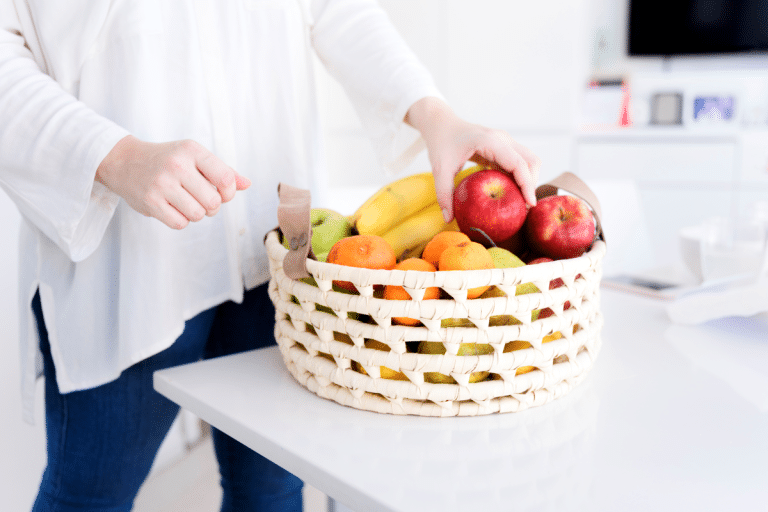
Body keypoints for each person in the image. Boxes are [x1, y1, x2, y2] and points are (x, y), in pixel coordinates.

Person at [0, 0, 541, 511]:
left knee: (273, 494)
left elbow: (338, 10)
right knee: (90, 496)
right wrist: (112, 156)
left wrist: (432, 112)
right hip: (127, 249)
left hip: (287, 234)